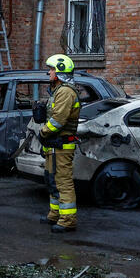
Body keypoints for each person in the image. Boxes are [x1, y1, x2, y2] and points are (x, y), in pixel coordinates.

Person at [40, 54, 81, 233]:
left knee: (62, 181)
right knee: (52, 180)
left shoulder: (65, 92)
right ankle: (55, 214)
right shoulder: (58, 90)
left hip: (61, 146)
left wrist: (43, 132)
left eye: (52, 69)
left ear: (60, 72)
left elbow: (58, 120)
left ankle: (68, 219)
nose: (49, 72)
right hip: (54, 145)